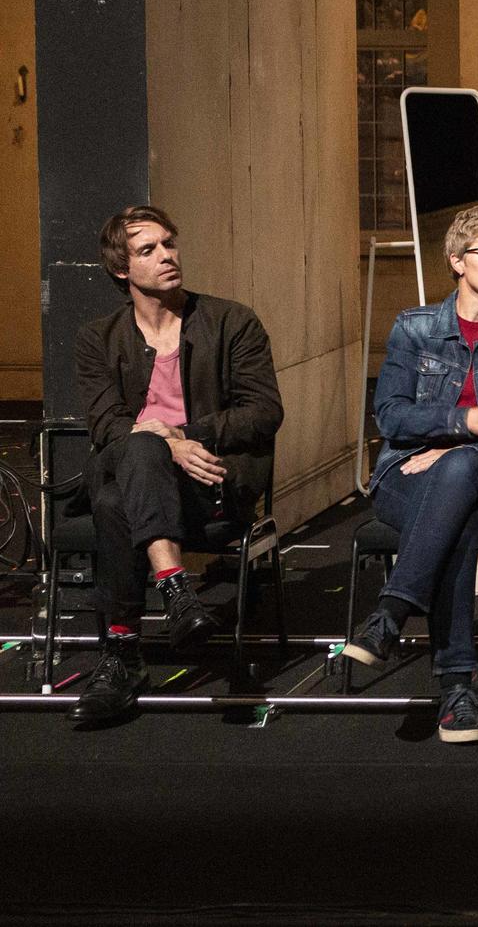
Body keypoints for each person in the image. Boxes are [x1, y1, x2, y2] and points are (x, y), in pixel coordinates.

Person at [341, 205, 478, 745]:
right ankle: (457, 690)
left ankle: (392, 610)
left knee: (460, 468)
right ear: (457, 261)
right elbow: (389, 414)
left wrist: (463, 441)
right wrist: (462, 421)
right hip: (406, 475)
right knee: (454, 516)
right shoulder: (414, 329)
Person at [69, 205, 285, 724]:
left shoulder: (232, 322)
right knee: (137, 454)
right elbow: (106, 426)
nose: (167, 256)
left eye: (169, 243)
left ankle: (122, 653)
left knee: (117, 495)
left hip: (208, 484)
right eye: (149, 250)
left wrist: (187, 435)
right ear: (122, 270)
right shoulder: (97, 338)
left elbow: (264, 412)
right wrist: (165, 445)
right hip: (138, 480)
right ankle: (177, 592)